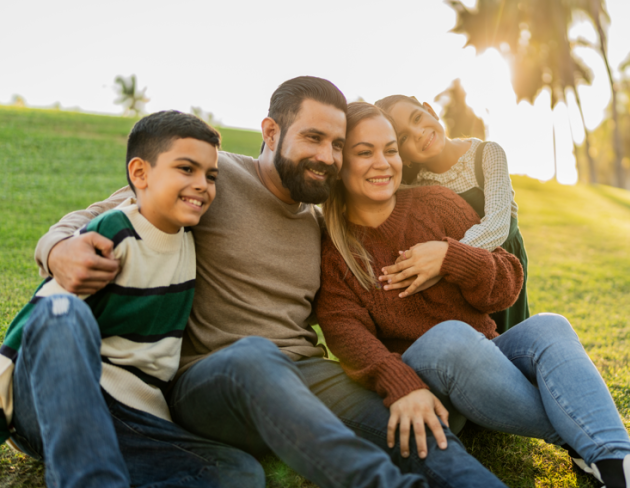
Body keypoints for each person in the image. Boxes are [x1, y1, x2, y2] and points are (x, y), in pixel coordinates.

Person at [33, 77, 504, 488]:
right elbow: (98, 213)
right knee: (256, 356)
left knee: (416, 425)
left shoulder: (324, 221)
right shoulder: (213, 181)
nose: (327, 156)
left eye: (337, 144)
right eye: (313, 138)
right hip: (213, 378)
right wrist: (57, 250)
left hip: (305, 372)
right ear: (271, 132)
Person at [316, 102, 630, 488]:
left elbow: (508, 280)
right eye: (365, 152)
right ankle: (581, 438)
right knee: (451, 337)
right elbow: (347, 335)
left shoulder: (435, 203)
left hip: (488, 373)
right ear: (340, 163)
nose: (383, 162)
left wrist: (454, 257)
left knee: (549, 326)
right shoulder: (336, 250)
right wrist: (399, 382)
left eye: (390, 150)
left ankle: (623, 470)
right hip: (427, 386)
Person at [0, 110, 265, 488]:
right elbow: (42, 318)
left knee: (239, 472)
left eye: (211, 175)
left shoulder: (192, 239)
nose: (202, 184)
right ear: (139, 173)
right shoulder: (113, 234)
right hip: (56, 399)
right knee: (64, 311)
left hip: (133, 422)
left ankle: (97, 470)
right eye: (186, 169)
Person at [373, 95, 528, 334]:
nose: (418, 133)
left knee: (513, 336)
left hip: (503, 260)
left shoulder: (487, 154)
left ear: (429, 109)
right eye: (403, 137)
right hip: (458, 278)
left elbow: (498, 226)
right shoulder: (415, 185)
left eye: (417, 118)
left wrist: (446, 257)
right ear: (400, 154)